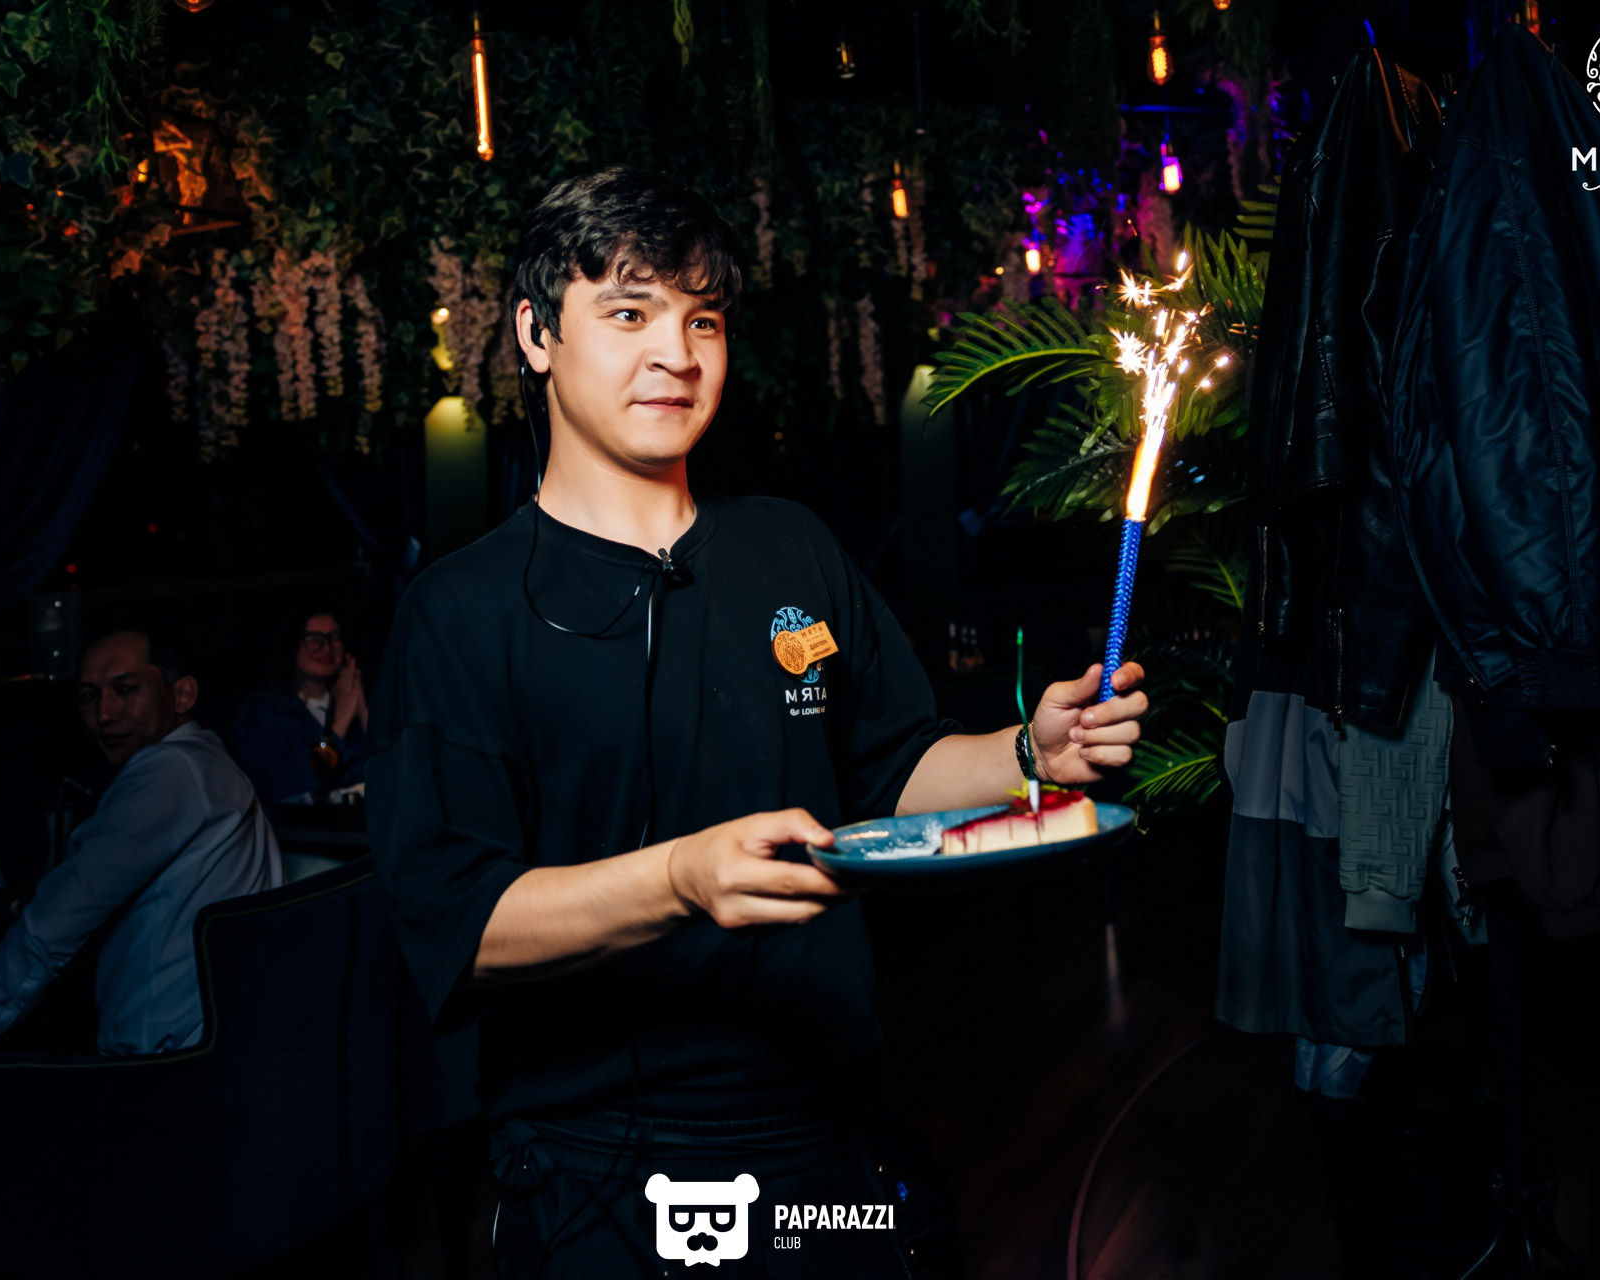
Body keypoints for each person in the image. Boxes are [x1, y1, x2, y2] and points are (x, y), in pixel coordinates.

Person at [368, 167, 1148, 1278]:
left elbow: (890, 768)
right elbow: (466, 925)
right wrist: (679, 878)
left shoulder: (792, 547)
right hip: (605, 1179)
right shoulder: (460, 611)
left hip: (826, 1141)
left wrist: (1026, 752)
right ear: (538, 334)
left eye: (703, 320)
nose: (677, 354)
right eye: (629, 313)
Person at [0, 629, 284, 1076]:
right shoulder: (208, 761)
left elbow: (54, 921)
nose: (103, 714)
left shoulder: (169, 771)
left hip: (167, 1068)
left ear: (182, 695)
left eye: (126, 689)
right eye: (88, 696)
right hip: (224, 1049)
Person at [234, 610, 370, 806]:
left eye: (334, 638)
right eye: (315, 640)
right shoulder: (263, 712)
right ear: (294, 644)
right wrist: (339, 727)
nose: (327, 648)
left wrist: (363, 710)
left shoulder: (358, 698)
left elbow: (388, 769)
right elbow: (283, 789)